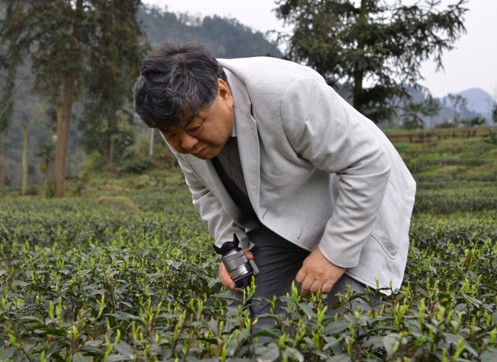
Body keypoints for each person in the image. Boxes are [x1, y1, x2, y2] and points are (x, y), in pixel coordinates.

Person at [133, 41, 416, 321]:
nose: (186, 143)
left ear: (222, 92)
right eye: (172, 135)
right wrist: (233, 247)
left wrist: (332, 254)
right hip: (279, 210)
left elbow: (367, 164)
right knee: (251, 319)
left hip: (355, 197)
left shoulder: (287, 93)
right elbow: (204, 191)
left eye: (195, 127)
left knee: (346, 316)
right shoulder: (177, 121)